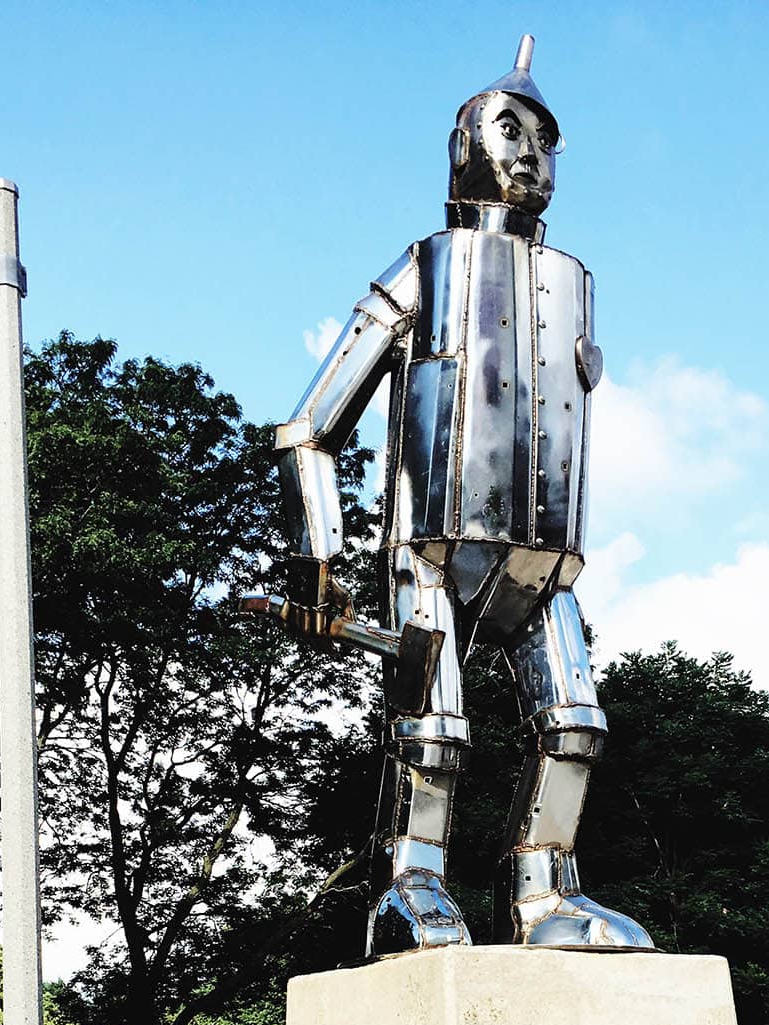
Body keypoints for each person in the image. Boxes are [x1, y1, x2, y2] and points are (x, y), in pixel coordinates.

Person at [272, 36, 653, 957]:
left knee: (574, 723)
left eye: (546, 140)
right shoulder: (426, 268)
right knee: (434, 727)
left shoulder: (573, 286)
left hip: (544, 558)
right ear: (466, 144)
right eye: (510, 129)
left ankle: (543, 893)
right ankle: (414, 884)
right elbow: (308, 424)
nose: (530, 154)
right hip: (433, 546)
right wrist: (317, 553)